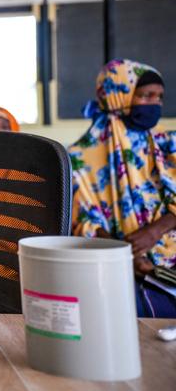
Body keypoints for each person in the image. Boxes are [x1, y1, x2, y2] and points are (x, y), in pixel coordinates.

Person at [69, 59, 176, 317]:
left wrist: (155, 230)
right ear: (119, 94)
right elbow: (82, 221)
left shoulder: (168, 144)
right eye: (145, 95)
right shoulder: (79, 157)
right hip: (119, 265)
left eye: (159, 97)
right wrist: (122, 253)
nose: (155, 104)